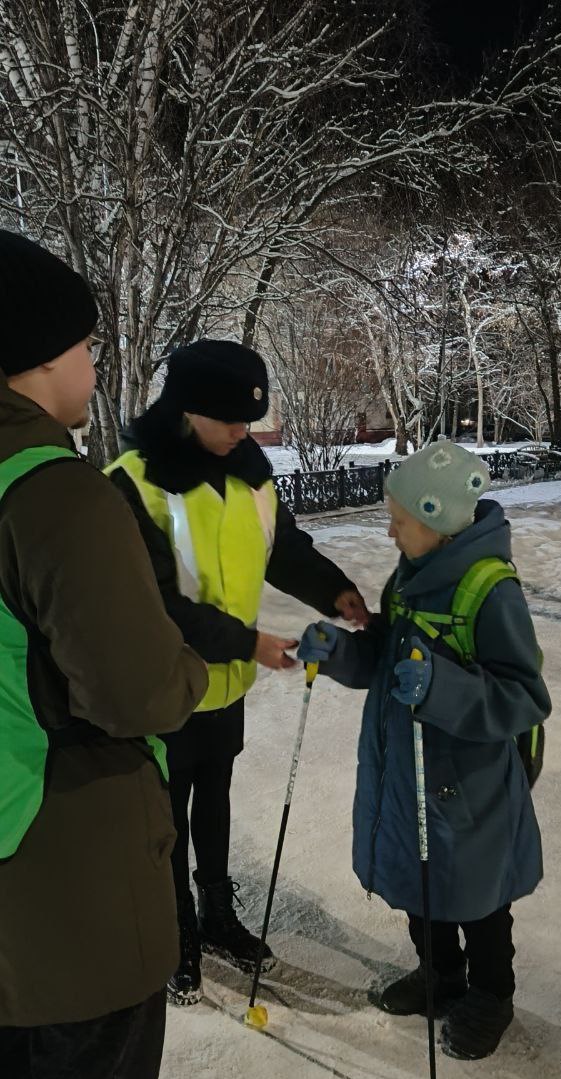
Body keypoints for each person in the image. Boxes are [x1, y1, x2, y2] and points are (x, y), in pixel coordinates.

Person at [0, 230, 208, 1079]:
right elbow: (132, 688)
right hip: (71, 885)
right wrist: (189, 671)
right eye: (84, 343)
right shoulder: (53, 492)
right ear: (30, 357)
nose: (95, 365)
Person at [106, 339, 368, 1005]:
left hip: (224, 686)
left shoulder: (250, 471)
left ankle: (217, 914)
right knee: (166, 814)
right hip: (162, 686)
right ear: (186, 409)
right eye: (228, 420)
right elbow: (152, 602)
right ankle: (176, 934)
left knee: (214, 796)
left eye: (248, 420)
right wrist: (247, 642)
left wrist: (333, 590)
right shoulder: (132, 481)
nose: (241, 432)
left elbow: (281, 548)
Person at [298, 441, 551, 1060]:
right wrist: (343, 653)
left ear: (436, 522)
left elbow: (523, 696)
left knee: (477, 894)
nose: (389, 531)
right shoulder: (411, 576)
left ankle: (491, 992)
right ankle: (441, 976)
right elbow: (389, 662)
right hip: (405, 765)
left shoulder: (490, 590)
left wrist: (441, 687)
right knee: (421, 877)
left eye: (399, 521)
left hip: (470, 781)